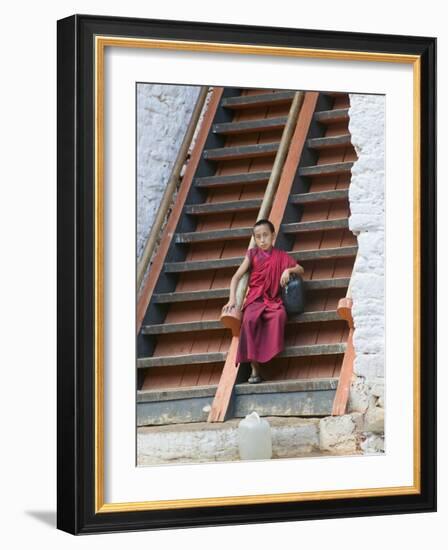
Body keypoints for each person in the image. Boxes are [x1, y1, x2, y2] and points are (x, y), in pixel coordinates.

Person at [222, 219, 304, 383]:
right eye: (258, 237)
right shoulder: (252, 255)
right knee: (249, 320)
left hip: (273, 300)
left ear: (273, 236)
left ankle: (269, 359)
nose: (262, 240)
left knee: (279, 315)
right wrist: (232, 298)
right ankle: (255, 368)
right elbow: (236, 277)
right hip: (255, 300)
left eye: (265, 235)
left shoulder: (280, 256)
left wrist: (288, 270)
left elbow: (300, 269)